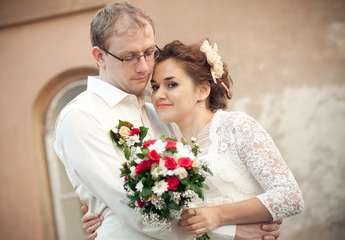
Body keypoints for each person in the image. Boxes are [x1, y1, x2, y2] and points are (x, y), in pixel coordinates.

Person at [54, 1, 284, 239]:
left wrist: (237, 214)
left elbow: (188, 194)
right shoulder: (81, 117)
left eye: (149, 52)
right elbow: (134, 209)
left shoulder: (157, 113)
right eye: (130, 57)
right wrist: (230, 231)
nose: (144, 67)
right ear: (99, 56)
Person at [81, 38, 304, 239]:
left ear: (203, 90)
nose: (159, 95)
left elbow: (289, 197)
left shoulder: (236, 127)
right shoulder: (162, 141)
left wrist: (218, 215)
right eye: (155, 87)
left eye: (171, 84)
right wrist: (105, 218)